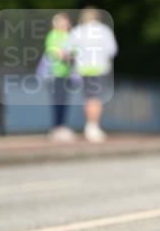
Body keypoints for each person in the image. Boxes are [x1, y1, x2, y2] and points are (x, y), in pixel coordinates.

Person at [67, 8, 118, 142]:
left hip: (83, 68)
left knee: (88, 98)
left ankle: (91, 125)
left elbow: (68, 50)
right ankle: (93, 126)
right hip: (100, 68)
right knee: (96, 98)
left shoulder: (77, 31)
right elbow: (112, 50)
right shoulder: (104, 31)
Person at [44, 12, 75, 142]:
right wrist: (65, 55)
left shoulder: (70, 35)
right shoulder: (53, 35)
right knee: (58, 100)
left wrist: (70, 55)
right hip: (55, 73)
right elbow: (53, 51)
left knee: (64, 100)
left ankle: (62, 126)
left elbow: (75, 51)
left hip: (66, 73)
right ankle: (57, 127)